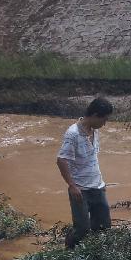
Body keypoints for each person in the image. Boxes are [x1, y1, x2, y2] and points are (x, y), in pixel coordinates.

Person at [56, 97, 114, 248]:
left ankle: (93, 253)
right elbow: (61, 160)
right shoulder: (72, 134)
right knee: (82, 229)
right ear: (95, 115)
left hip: (98, 186)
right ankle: (69, 251)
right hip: (80, 190)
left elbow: (91, 159)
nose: (104, 124)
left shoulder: (94, 132)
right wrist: (72, 185)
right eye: (103, 120)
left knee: (103, 225)